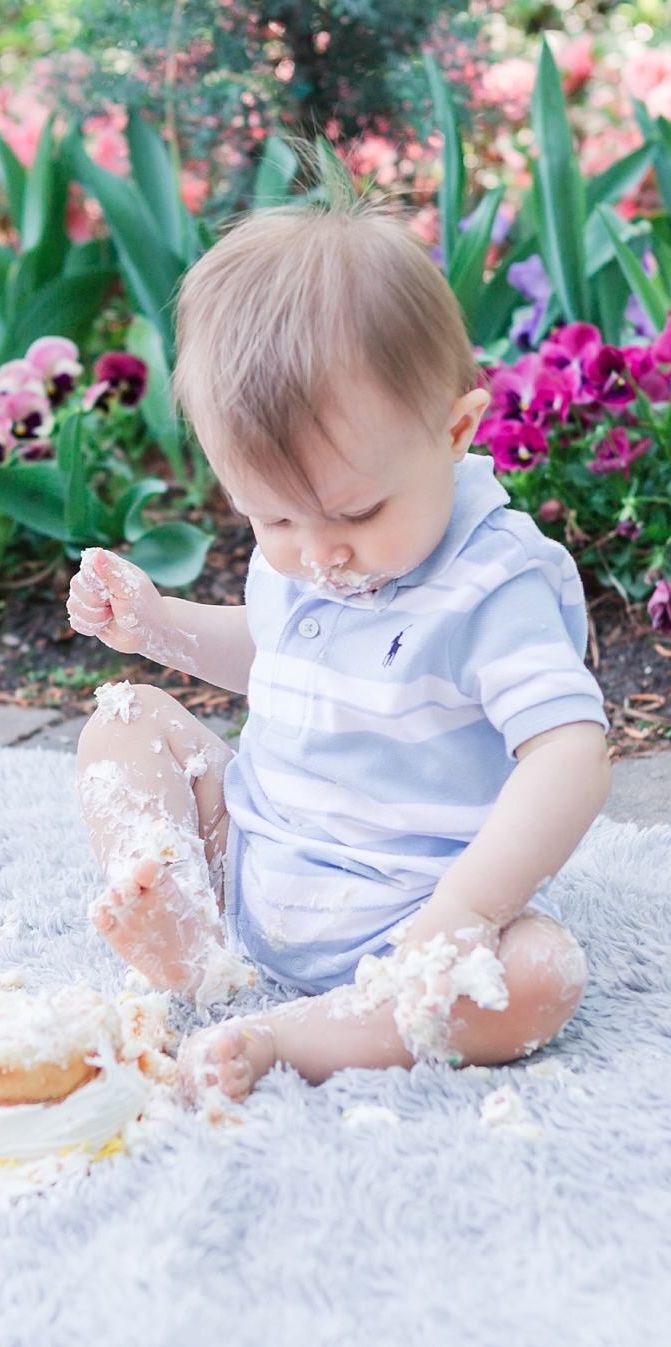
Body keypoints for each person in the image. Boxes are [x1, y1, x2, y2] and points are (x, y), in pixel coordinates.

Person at [66, 195, 609, 1106]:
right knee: (122, 726)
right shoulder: (309, 559)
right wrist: (156, 627)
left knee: (539, 977)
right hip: (254, 859)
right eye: (274, 516)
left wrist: (464, 914)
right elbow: (276, 666)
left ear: (455, 431)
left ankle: (291, 1035)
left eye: (357, 513)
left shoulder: (495, 584)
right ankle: (188, 936)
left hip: (409, 914)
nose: (321, 554)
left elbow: (571, 755)